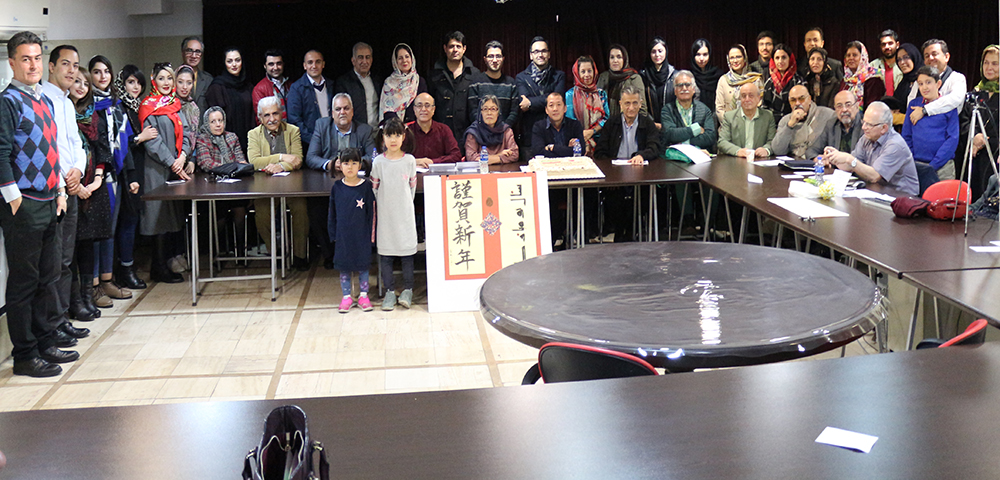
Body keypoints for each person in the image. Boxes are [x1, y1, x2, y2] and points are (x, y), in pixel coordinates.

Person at [0, 31, 74, 377]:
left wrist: (60, 190)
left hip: (49, 200)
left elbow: (52, 150)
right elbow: (1, 153)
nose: (33, 65)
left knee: (48, 278)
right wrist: (14, 198)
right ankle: (25, 355)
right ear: (12, 62)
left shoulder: (44, 100)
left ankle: (45, 342)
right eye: (25, 59)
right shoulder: (8, 101)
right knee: (24, 283)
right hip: (24, 204)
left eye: (37, 58)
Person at [41, 45, 91, 339]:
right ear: (51, 66)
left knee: (66, 259)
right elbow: (48, 148)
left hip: (71, 184)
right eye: (65, 64)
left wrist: (78, 170)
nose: (72, 70)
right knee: (54, 262)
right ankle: (52, 324)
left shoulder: (67, 103)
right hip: (54, 189)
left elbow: (76, 145)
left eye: (75, 65)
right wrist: (65, 177)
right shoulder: (42, 99)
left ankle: (61, 321)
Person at [305, 92, 375, 267]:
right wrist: (330, 163)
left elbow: (373, 157)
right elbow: (311, 157)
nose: (342, 112)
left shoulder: (364, 130)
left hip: (356, 185)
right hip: (329, 184)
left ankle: (359, 251)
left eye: (346, 108)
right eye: (338, 109)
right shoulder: (322, 126)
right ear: (332, 113)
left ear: (352, 111)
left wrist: (353, 164)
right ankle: (329, 253)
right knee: (316, 209)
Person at [139, 62, 192, 283]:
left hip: (175, 169)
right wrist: (173, 163)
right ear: (153, 79)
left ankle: (167, 264)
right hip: (156, 170)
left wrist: (183, 157)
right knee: (158, 220)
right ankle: (158, 267)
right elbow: (152, 142)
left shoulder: (175, 104)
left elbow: (187, 133)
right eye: (161, 78)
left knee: (171, 219)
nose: (166, 83)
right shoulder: (147, 106)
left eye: (169, 78)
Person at [88, 55, 133, 307]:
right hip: (94, 177)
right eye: (97, 72)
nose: (102, 76)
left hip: (114, 174)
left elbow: (124, 140)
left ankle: (107, 280)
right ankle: (93, 286)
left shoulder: (115, 104)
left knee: (110, 230)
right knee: (97, 231)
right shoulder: (86, 105)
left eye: (106, 71)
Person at [247, 96, 309, 271]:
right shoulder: (253, 134)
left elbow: (298, 160)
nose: (272, 119)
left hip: (291, 185)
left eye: (275, 113)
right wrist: (281, 156)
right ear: (260, 118)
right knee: (262, 214)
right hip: (264, 187)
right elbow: (254, 161)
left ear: (282, 113)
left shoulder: (293, 131)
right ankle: (275, 251)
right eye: (267, 115)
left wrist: (280, 166)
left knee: (301, 210)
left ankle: (299, 255)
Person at [821, 101, 919, 195]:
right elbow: (852, 167)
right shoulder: (867, 138)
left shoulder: (895, 145)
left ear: (884, 128)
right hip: (877, 191)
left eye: (869, 124)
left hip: (902, 197)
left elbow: (874, 176)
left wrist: (849, 159)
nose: (863, 127)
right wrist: (835, 158)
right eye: (864, 122)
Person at [371, 117, 417, 311]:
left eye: (397, 135)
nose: (393, 139)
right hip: (386, 215)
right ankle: (389, 291)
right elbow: (375, 189)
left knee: (407, 255)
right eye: (389, 135)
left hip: (405, 215)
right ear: (383, 137)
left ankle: (408, 290)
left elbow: (411, 189)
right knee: (386, 255)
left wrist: (403, 205)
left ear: (403, 137)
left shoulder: (410, 160)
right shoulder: (378, 162)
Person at [68, 67, 103, 319]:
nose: (81, 87)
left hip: (93, 187)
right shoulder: (62, 110)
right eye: (76, 81)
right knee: (71, 248)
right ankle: (75, 301)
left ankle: (88, 296)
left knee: (88, 244)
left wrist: (97, 179)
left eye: (85, 83)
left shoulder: (93, 114)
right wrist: (77, 186)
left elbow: (102, 148)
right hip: (71, 187)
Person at [111, 65, 149, 290]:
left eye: (139, 83)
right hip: (126, 172)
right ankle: (124, 270)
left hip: (138, 169)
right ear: (121, 84)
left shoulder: (137, 106)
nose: (136, 87)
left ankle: (126, 267)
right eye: (130, 82)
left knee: (132, 220)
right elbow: (120, 143)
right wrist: (140, 138)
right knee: (127, 220)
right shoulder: (118, 107)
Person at [195, 106, 250, 262]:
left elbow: (242, 162)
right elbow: (206, 163)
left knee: (240, 210)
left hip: (234, 187)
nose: (218, 124)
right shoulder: (202, 139)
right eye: (213, 121)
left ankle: (241, 252)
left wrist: (230, 168)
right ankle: (217, 253)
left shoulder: (232, 137)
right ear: (207, 124)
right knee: (219, 213)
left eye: (220, 120)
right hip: (213, 189)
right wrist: (231, 168)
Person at [328, 148, 375, 313]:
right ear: (340, 165)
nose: (350, 167)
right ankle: (346, 296)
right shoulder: (337, 187)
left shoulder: (366, 187)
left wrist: (371, 235)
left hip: (362, 235)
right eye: (346, 163)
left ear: (360, 165)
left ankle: (363, 295)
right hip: (343, 236)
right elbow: (332, 213)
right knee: (345, 266)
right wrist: (333, 234)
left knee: (363, 265)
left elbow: (371, 213)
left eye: (354, 163)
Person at [903, 66, 960, 180]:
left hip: (943, 167)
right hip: (916, 165)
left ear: (938, 84)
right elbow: (906, 135)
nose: (924, 87)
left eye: (928, 82)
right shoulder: (913, 105)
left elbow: (952, 139)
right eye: (920, 84)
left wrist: (934, 164)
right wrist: (912, 159)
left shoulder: (948, 107)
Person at [959, 45, 999, 199]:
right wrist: (974, 136)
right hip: (973, 154)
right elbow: (963, 120)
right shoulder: (975, 94)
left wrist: (987, 140)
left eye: (995, 63)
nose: (989, 67)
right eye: (986, 63)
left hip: (995, 157)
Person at [516, 36, 567, 157]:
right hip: (530, 135)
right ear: (531, 55)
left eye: (544, 51)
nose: (540, 55)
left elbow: (558, 99)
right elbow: (523, 104)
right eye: (536, 51)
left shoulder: (559, 76)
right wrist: (549, 100)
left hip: (556, 134)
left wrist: (531, 103)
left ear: (549, 54)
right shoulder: (521, 77)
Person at [429, 31, 481, 145]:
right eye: (451, 46)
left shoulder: (475, 74)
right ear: (445, 48)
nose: (455, 50)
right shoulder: (434, 75)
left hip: (468, 135)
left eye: (458, 46)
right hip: (439, 134)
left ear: (464, 49)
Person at [906, 39, 967, 124]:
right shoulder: (919, 81)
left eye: (934, 54)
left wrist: (925, 110)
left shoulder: (957, 78)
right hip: (920, 126)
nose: (930, 58)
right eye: (927, 56)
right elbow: (911, 103)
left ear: (946, 57)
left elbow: (954, 100)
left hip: (946, 128)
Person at [206, 47, 254, 153]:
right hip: (227, 144)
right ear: (224, 63)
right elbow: (216, 119)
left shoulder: (248, 86)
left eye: (237, 60)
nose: (234, 64)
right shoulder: (217, 87)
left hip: (249, 142)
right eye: (229, 61)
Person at [596, 86, 661, 163]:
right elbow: (600, 151)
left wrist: (642, 156)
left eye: (635, 103)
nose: (631, 108)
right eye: (627, 103)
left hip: (639, 166)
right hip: (615, 167)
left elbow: (654, 147)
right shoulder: (611, 123)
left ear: (640, 104)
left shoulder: (648, 123)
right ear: (621, 104)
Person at [287, 50, 333, 153]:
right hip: (309, 144)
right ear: (304, 66)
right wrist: (313, 140)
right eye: (310, 62)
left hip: (332, 140)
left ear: (323, 64)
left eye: (318, 62)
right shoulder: (297, 88)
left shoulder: (331, 85)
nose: (314, 66)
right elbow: (294, 120)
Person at [772, 85, 835, 159]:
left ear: (809, 99)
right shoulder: (785, 120)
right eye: (793, 100)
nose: (797, 103)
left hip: (819, 160)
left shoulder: (827, 115)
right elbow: (778, 151)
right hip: (795, 161)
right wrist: (790, 125)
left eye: (801, 99)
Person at [467, 41, 519, 129]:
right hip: (481, 133)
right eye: (491, 56)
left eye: (498, 56)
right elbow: (473, 112)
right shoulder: (475, 83)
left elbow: (514, 112)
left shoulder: (511, 84)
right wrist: (486, 129)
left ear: (503, 58)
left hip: (504, 133)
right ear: (485, 59)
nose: (495, 60)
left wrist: (503, 128)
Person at [661, 71, 717, 151]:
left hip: (700, 154)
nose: (684, 88)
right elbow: (670, 134)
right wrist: (695, 129)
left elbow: (710, 137)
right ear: (675, 91)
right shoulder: (667, 110)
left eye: (687, 85)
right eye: (680, 85)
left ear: (693, 89)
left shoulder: (704, 109)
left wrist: (683, 142)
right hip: (675, 155)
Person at [564, 56, 609, 155]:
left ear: (594, 72)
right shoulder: (570, 95)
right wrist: (583, 137)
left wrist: (592, 131)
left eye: (589, 71)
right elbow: (570, 121)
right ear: (577, 73)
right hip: (577, 141)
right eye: (583, 71)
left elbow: (606, 118)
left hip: (600, 141)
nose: (587, 75)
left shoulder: (601, 94)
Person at [717, 82, 776, 158]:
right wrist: (738, 151)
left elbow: (773, 141)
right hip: (736, 160)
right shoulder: (729, 117)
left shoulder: (768, 116)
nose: (747, 99)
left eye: (751, 96)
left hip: (759, 160)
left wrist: (766, 149)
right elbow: (722, 142)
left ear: (758, 98)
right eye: (744, 96)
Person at [334, 42, 383, 129]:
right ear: (353, 61)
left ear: (371, 60)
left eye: (367, 57)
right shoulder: (343, 82)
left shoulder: (378, 80)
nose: (364, 61)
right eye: (360, 57)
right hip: (355, 133)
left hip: (376, 132)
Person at [807, 90, 865, 160]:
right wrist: (820, 159)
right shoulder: (831, 125)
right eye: (839, 106)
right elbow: (811, 151)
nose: (844, 110)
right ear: (835, 109)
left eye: (848, 105)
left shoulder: (865, 126)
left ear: (857, 106)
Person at [408, 92, 462, 166]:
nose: (423, 109)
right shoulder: (407, 131)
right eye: (419, 106)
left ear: (433, 109)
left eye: (427, 105)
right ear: (414, 109)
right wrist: (415, 161)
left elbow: (456, 155)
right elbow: (397, 157)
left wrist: (433, 162)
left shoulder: (444, 130)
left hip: (439, 172)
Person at [379, 43, 428, 124]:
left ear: (412, 59)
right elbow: (386, 110)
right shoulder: (389, 83)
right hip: (394, 128)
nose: (404, 60)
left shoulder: (419, 81)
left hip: (415, 127)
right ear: (395, 61)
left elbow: (424, 107)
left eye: (407, 56)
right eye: (400, 58)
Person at [716, 44, 763, 124]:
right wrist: (731, 124)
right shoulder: (724, 80)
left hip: (752, 124)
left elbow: (760, 105)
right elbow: (719, 108)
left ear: (745, 58)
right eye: (732, 58)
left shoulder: (755, 79)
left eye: (738, 57)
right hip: (729, 126)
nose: (735, 61)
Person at [464, 95, 519, 164]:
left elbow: (514, 154)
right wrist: (499, 156)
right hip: (481, 170)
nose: (489, 113)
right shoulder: (473, 132)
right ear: (480, 112)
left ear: (498, 112)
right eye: (485, 109)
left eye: (493, 109)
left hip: (503, 170)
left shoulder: (506, 130)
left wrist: (486, 159)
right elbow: (471, 158)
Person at [596, 44, 647, 118]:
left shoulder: (634, 78)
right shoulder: (603, 77)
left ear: (624, 59)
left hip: (628, 122)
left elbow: (642, 109)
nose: (615, 60)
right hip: (605, 122)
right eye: (612, 57)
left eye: (619, 57)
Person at [532, 92, 585, 158]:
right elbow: (538, 152)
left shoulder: (575, 125)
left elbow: (581, 151)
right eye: (551, 105)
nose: (555, 109)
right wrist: (567, 149)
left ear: (565, 108)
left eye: (559, 104)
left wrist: (552, 147)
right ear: (546, 110)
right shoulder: (538, 127)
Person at [762, 44, 805, 122]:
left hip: (795, 122)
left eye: (784, 57)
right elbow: (765, 108)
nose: (780, 61)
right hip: (772, 124)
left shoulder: (799, 81)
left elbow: (803, 106)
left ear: (790, 59)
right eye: (777, 58)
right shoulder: (769, 83)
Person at [640, 37, 677, 128]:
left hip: (671, 125)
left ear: (666, 52)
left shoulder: (674, 75)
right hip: (650, 126)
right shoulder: (643, 76)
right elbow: (641, 104)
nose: (657, 55)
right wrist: (652, 123)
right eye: (653, 52)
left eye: (660, 51)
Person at [841, 41, 885, 109]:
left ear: (863, 58)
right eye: (848, 55)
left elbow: (873, 106)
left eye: (854, 55)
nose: (851, 58)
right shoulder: (846, 80)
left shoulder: (873, 79)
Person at [251, 49, 288, 121]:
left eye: (279, 63)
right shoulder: (259, 89)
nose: (275, 68)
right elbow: (260, 118)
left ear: (283, 64)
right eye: (271, 64)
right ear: (265, 66)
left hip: (292, 127)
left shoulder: (290, 85)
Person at [891, 43, 924, 122]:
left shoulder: (925, 80)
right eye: (899, 59)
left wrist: (901, 117)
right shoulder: (904, 83)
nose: (902, 62)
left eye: (906, 57)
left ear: (914, 57)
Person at [181, 36, 212, 112]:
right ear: (183, 52)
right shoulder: (173, 78)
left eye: (198, 52)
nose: (193, 56)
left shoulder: (208, 80)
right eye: (189, 51)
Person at [690, 39, 723, 111]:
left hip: (715, 115)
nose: (701, 58)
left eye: (705, 54)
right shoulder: (688, 76)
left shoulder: (718, 75)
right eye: (698, 54)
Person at [870, 29, 902, 97]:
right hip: (879, 102)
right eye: (883, 44)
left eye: (890, 43)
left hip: (900, 102)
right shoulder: (873, 66)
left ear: (897, 45)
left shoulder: (903, 65)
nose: (887, 47)